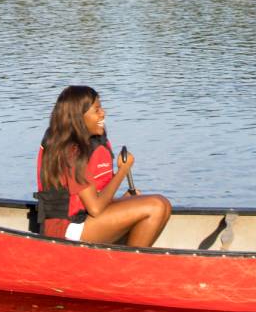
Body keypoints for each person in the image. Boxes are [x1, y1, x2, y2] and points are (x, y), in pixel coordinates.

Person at [35, 85, 172, 247]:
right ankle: (129, 265)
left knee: (163, 205)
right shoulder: (70, 152)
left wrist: (123, 199)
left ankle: (129, 262)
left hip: (82, 221)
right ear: (79, 116)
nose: (103, 113)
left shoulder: (82, 145)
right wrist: (123, 171)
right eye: (97, 110)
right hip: (64, 230)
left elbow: (91, 202)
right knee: (156, 206)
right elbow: (95, 208)